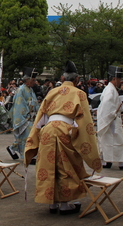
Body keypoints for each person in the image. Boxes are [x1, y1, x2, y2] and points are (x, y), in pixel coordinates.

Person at [24, 61, 101, 214]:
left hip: (47, 130)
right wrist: (86, 142)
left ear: (61, 77)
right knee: (66, 166)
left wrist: (34, 135)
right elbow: (85, 121)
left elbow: (41, 115)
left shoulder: (52, 92)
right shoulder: (80, 93)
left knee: (48, 164)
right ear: (77, 80)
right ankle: (65, 204)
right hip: (65, 130)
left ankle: (51, 203)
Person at [97, 65, 123, 170]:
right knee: (115, 140)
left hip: (112, 118)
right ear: (114, 78)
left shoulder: (111, 89)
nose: (120, 82)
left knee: (109, 140)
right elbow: (106, 105)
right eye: (119, 79)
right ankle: (118, 162)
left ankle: (107, 160)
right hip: (110, 119)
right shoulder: (110, 90)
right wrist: (113, 114)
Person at [7, 67, 39, 161]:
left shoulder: (30, 90)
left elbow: (34, 103)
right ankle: (29, 156)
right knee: (28, 136)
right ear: (27, 80)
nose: (34, 82)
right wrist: (26, 116)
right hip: (25, 118)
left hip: (31, 117)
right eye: (33, 80)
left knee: (25, 137)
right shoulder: (21, 90)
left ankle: (12, 148)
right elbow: (19, 105)